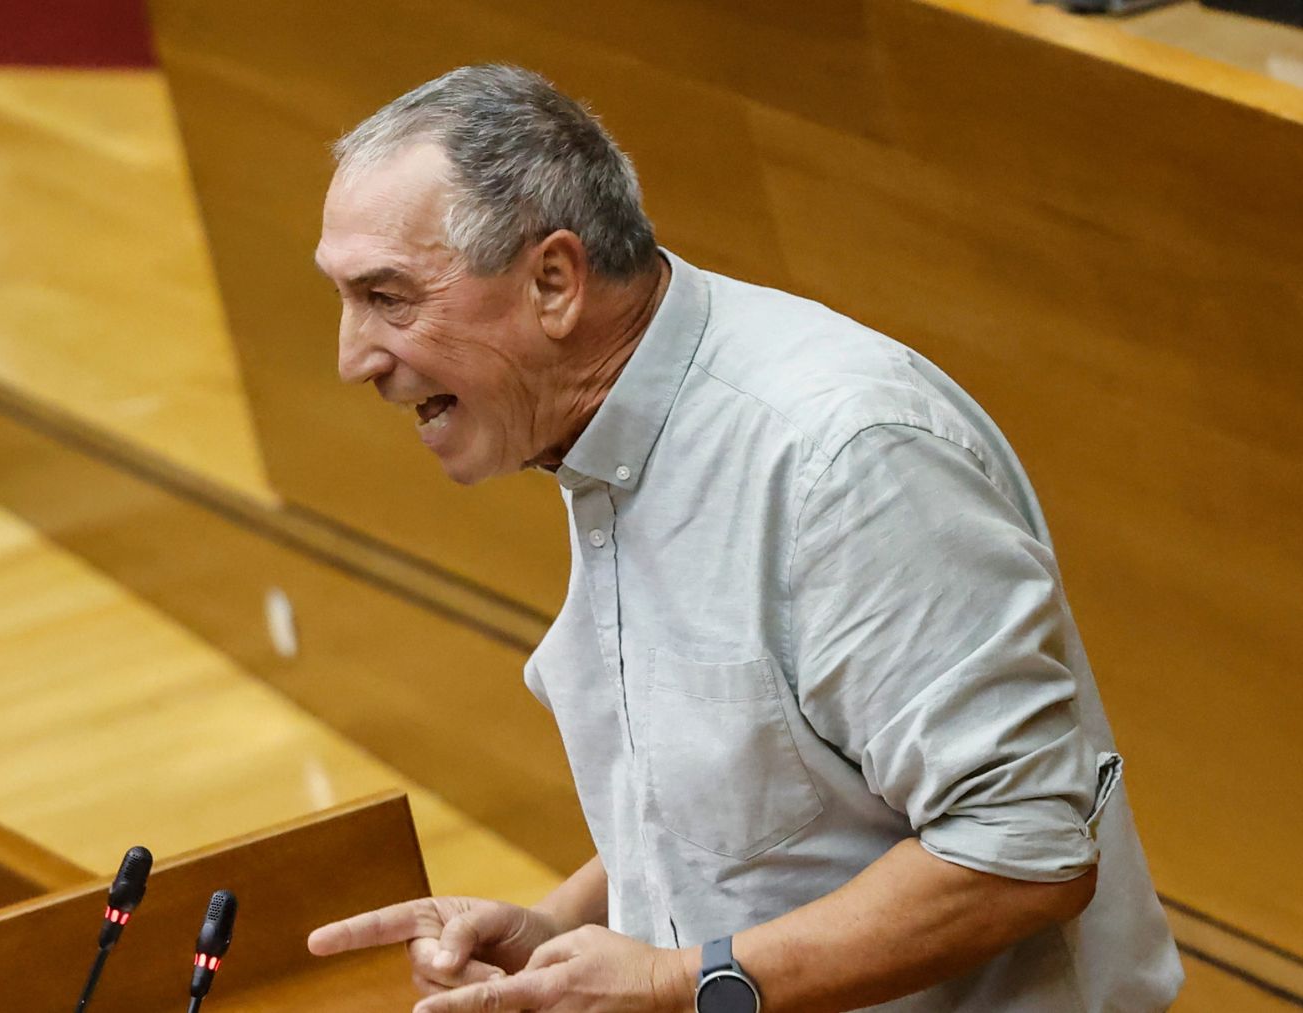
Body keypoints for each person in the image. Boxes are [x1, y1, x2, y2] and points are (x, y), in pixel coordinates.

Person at [303, 65, 1183, 1012]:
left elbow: (1025, 845)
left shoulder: (842, 460)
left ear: (553, 282)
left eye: (388, 297)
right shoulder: (596, 424)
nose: (354, 357)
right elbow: (772, 785)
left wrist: (685, 983)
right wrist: (566, 927)